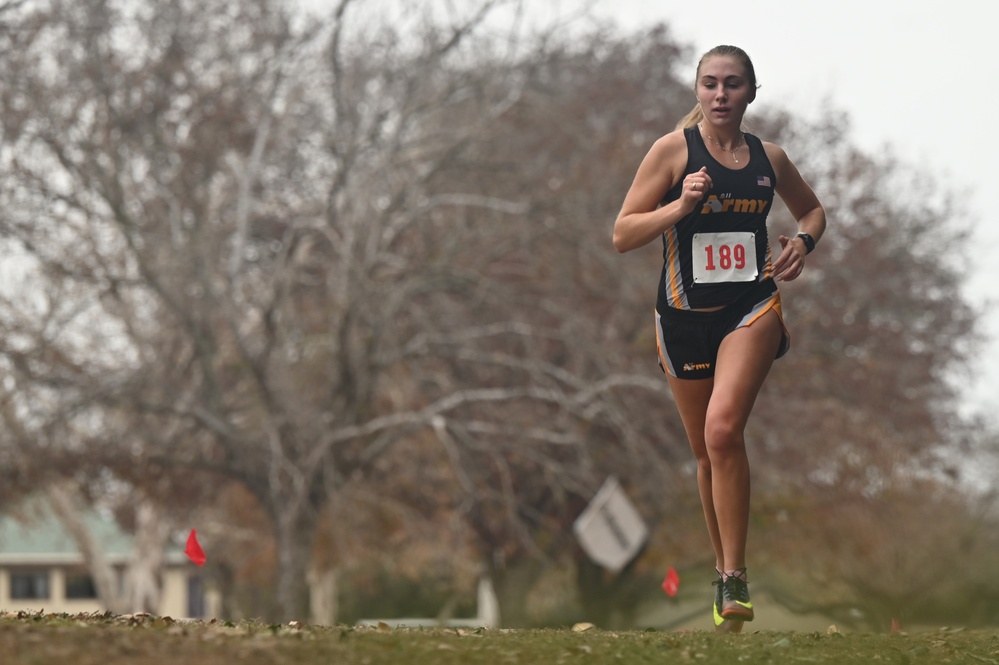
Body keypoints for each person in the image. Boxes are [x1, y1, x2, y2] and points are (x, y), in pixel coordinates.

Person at [611, 45, 826, 633]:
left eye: (733, 84)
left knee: (724, 429)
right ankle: (721, 573)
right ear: (698, 91)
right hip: (682, 316)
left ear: (751, 93)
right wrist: (681, 204)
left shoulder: (769, 158)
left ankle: (735, 577)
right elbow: (624, 233)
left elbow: (811, 212)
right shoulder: (673, 152)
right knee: (706, 453)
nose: (721, 94)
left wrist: (801, 244)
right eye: (710, 84)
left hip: (750, 305)